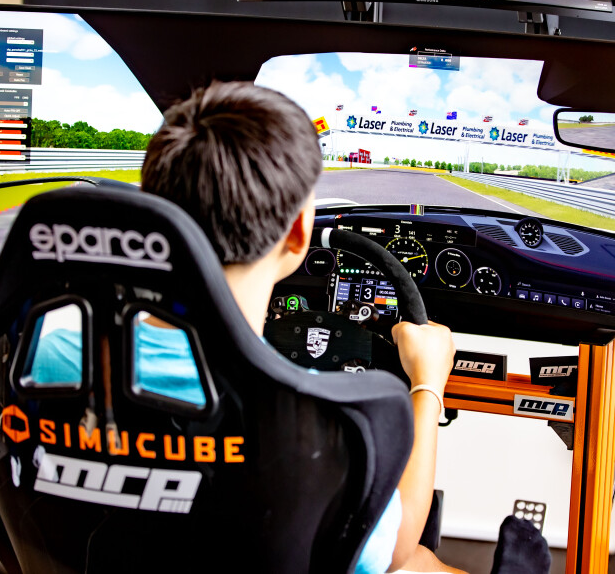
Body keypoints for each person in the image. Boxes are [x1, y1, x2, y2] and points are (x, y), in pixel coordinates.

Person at [137, 80, 462, 573]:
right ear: (297, 232)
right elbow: (393, 548)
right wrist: (428, 384)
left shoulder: (49, 356)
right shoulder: (313, 417)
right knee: (417, 562)